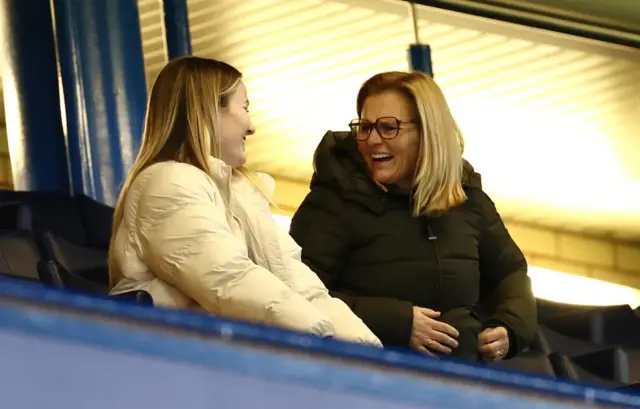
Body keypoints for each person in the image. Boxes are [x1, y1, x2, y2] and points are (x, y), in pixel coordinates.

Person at [108, 57, 381, 347]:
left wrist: (371, 353)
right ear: (209, 111)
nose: (251, 127)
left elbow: (303, 288)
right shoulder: (168, 182)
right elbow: (228, 280)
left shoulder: (240, 194)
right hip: (180, 365)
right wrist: (323, 340)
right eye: (245, 108)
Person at [289, 71, 536, 361]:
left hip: (455, 388)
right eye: (365, 127)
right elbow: (297, 293)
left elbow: (511, 273)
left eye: (388, 128)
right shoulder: (334, 201)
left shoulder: (470, 202)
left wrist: (510, 327)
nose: (372, 140)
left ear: (428, 133)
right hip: (363, 382)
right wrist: (399, 323)